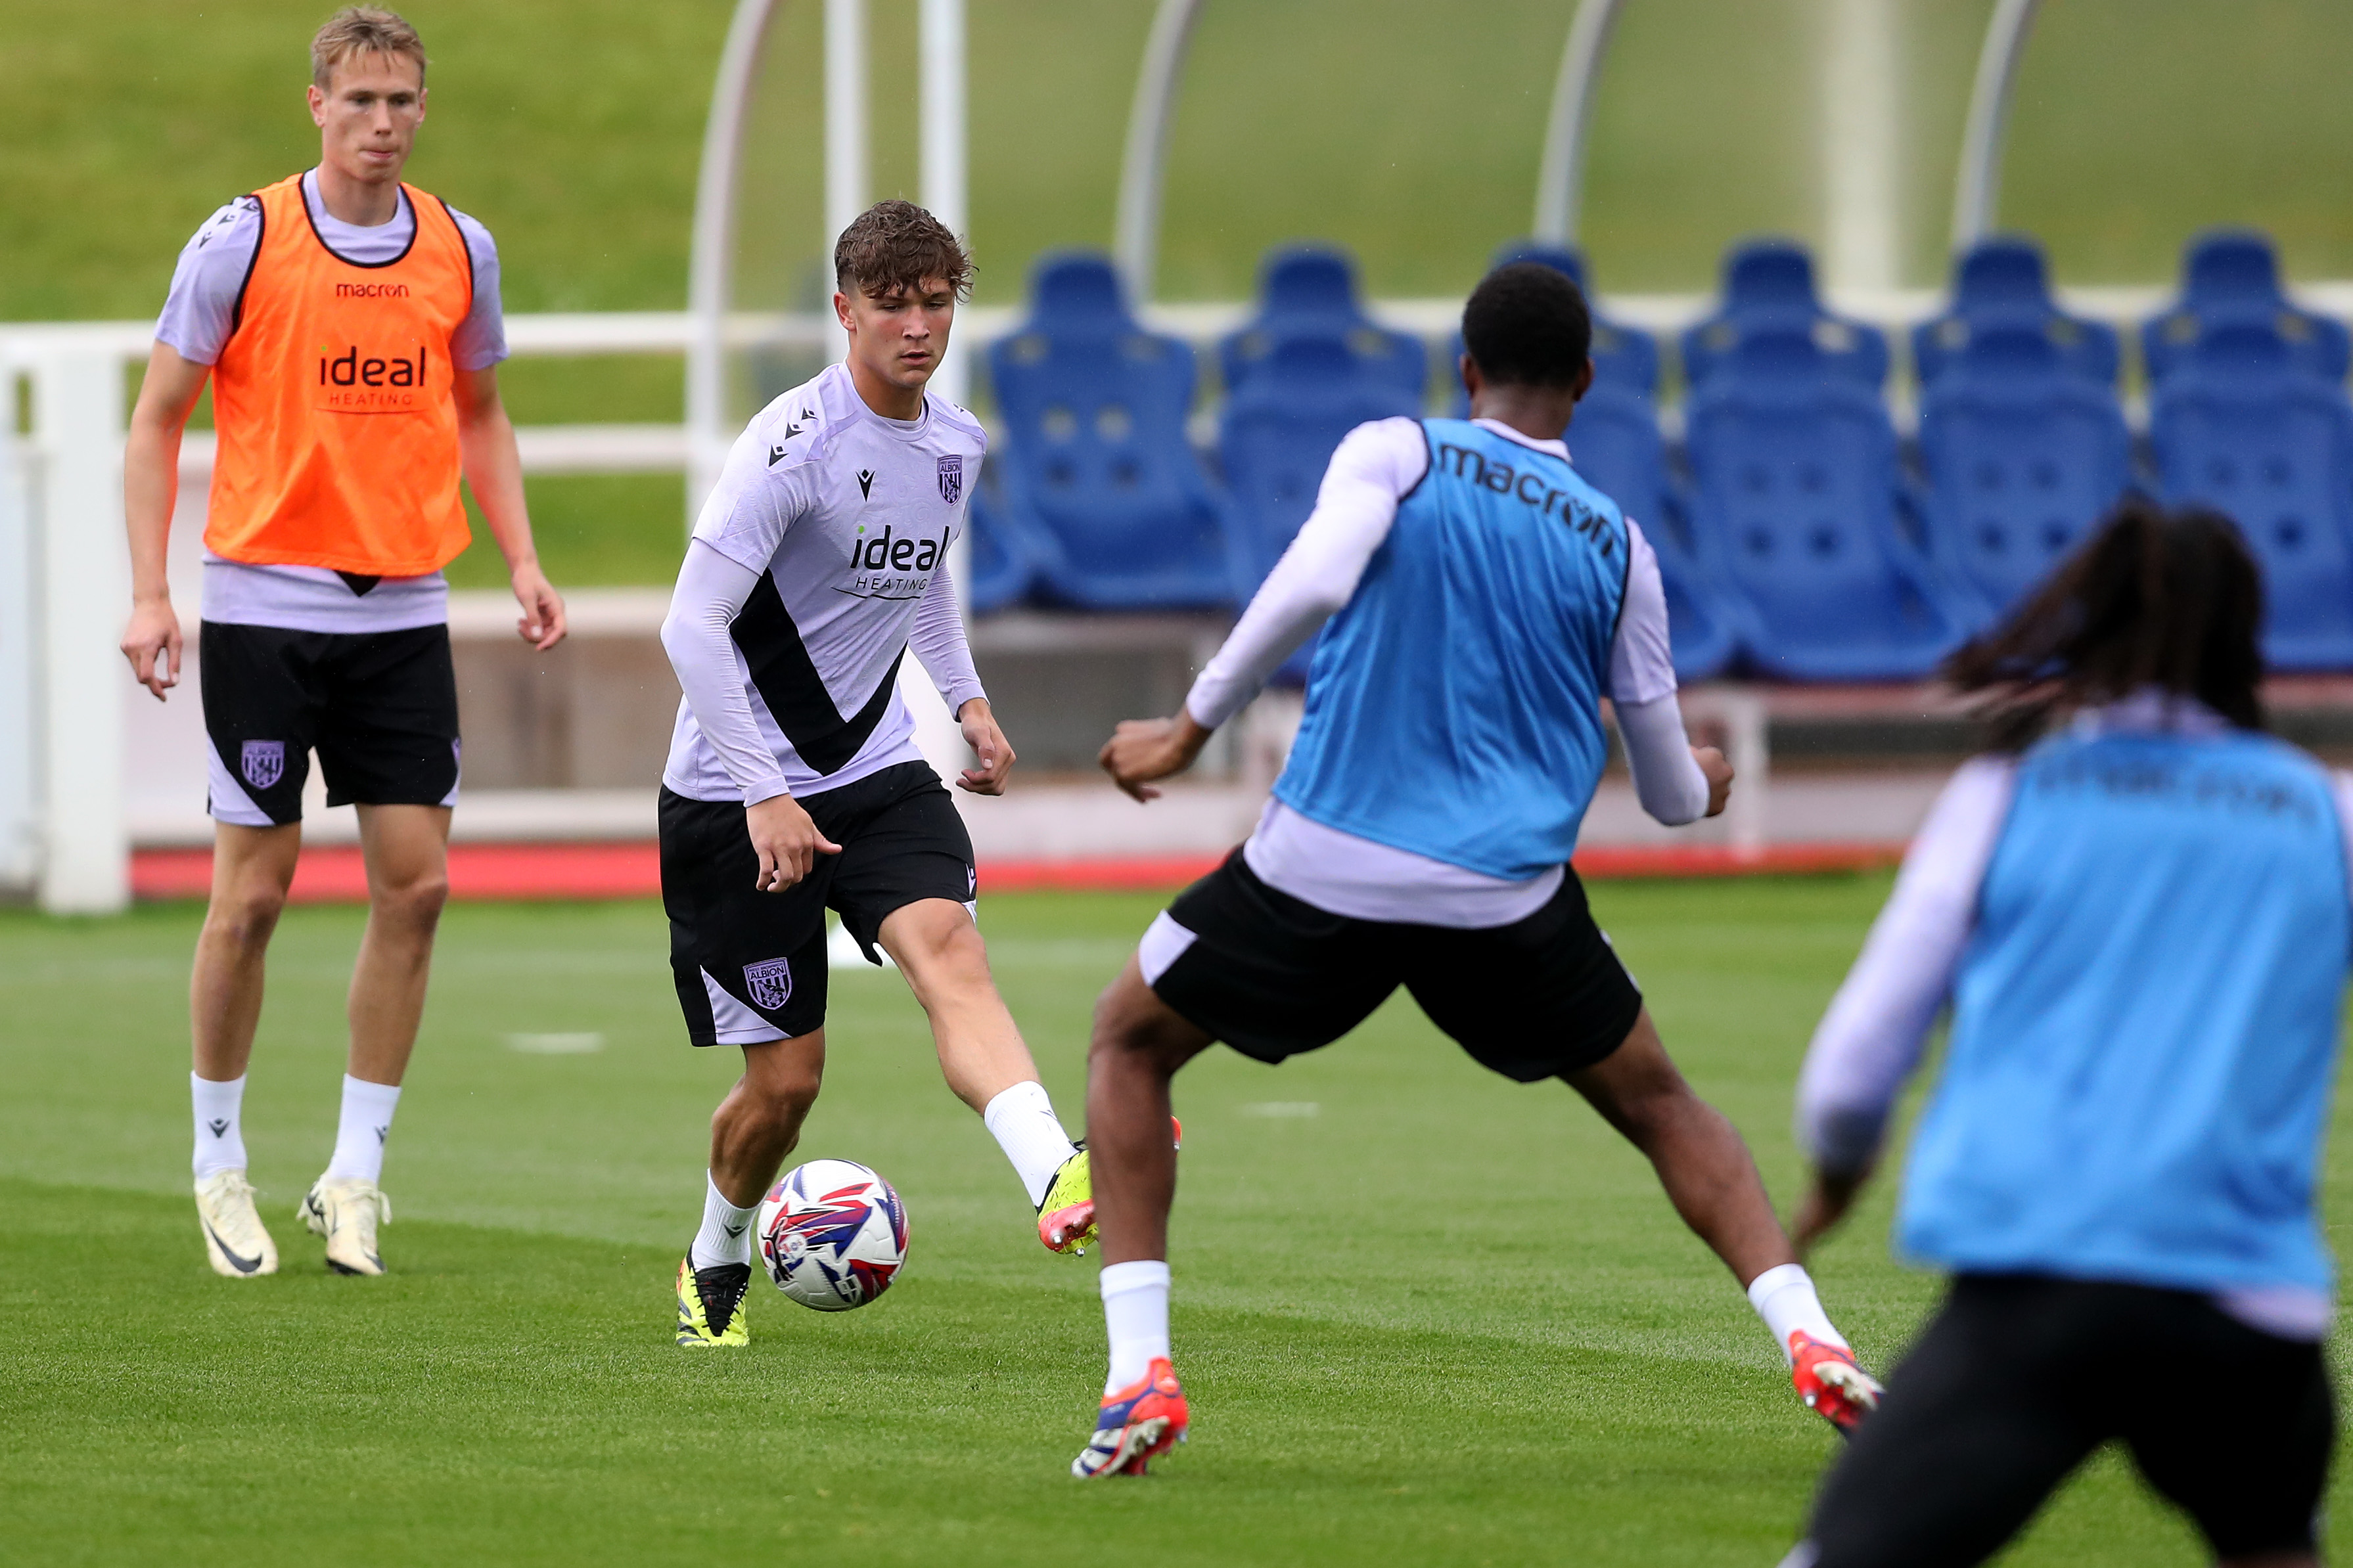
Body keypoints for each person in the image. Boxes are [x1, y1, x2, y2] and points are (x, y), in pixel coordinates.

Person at [1072, 262, 1880, 1478]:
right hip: (1504, 897)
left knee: (1127, 1042)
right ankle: (1812, 1340)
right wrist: (1709, 777)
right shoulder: (1617, 543)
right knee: (1665, 1107)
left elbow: (1316, 578)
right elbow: (1669, 798)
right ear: (1587, 384)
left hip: (1323, 865)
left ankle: (1140, 1370)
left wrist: (1192, 725)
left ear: (1463, 370)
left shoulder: (1398, 450)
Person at [1778, 501, 2346, 1568]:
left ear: (2087, 616)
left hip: (2042, 1286)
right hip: (2246, 1307)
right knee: (2272, 1545)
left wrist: (1838, 1173)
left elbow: (1861, 1055)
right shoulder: (2321, 811)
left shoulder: (2010, 790)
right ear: (2246, 632)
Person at [119, 7, 565, 1280]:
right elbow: (155, 423)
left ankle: (354, 1176)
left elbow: (481, 413)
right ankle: (217, 1160)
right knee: (251, 895)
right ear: (315, 103)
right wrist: (150, 593)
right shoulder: (242, 240)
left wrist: (522, 555)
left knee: (417, 885)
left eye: (402, 101)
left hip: (403, 610)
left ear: (423, 111)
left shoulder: (457, 251)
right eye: (360, 99)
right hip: (265, 607)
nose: (381, 122)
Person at [658, 200, 1102, 1349]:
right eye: (893, 305)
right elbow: (691, 628)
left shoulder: (955, 443)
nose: (917, 326)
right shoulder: (789, 446)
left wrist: (966, 700)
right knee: (785, 1089)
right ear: (846, 311)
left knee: (948, 950)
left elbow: (921, 583)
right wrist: (764, 792)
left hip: (874, 772)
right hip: (730, 796)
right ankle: (714, 1254)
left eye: (937, 302)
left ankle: (1057, 1172)